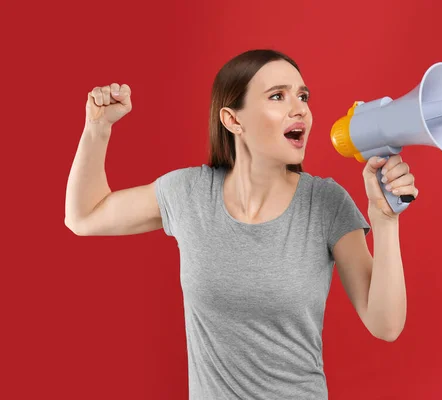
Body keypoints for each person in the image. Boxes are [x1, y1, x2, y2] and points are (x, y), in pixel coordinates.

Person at [65, 49, 418, 399]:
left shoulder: (325, 202)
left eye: (303, 96)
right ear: (233, 120)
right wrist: (98, 127)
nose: (300, 109)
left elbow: (385, 324)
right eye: (278, 96)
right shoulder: (189, 193)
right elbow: (84, 216)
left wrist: (385, 221)